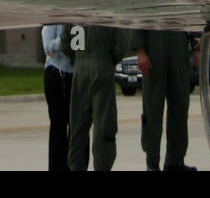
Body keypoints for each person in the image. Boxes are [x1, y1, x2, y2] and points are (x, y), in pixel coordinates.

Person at [61, 24, 128, 171]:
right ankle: (102, 164)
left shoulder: (73, 14)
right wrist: (109, 61)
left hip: (80, 68)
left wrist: (79, 58)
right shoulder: (107, 14)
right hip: (102, 65)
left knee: (78, 123)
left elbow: (65, 43)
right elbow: (121, 47)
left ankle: (75, 165)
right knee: (103, 122)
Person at [134, 29, 195, 171]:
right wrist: (140, 51)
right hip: (154, 43)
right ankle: (152, 162)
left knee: (180, 106)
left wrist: (196, 47)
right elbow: (137, 17)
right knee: (152, 108)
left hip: (179, 43)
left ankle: (175, 161)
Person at [42, 24, 74, 170]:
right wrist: (63, 41)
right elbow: (47, 47)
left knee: (77, 126)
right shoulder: (54, 21)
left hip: (74, 74)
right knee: (58, 126)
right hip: (56, 73)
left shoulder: (78, 21)